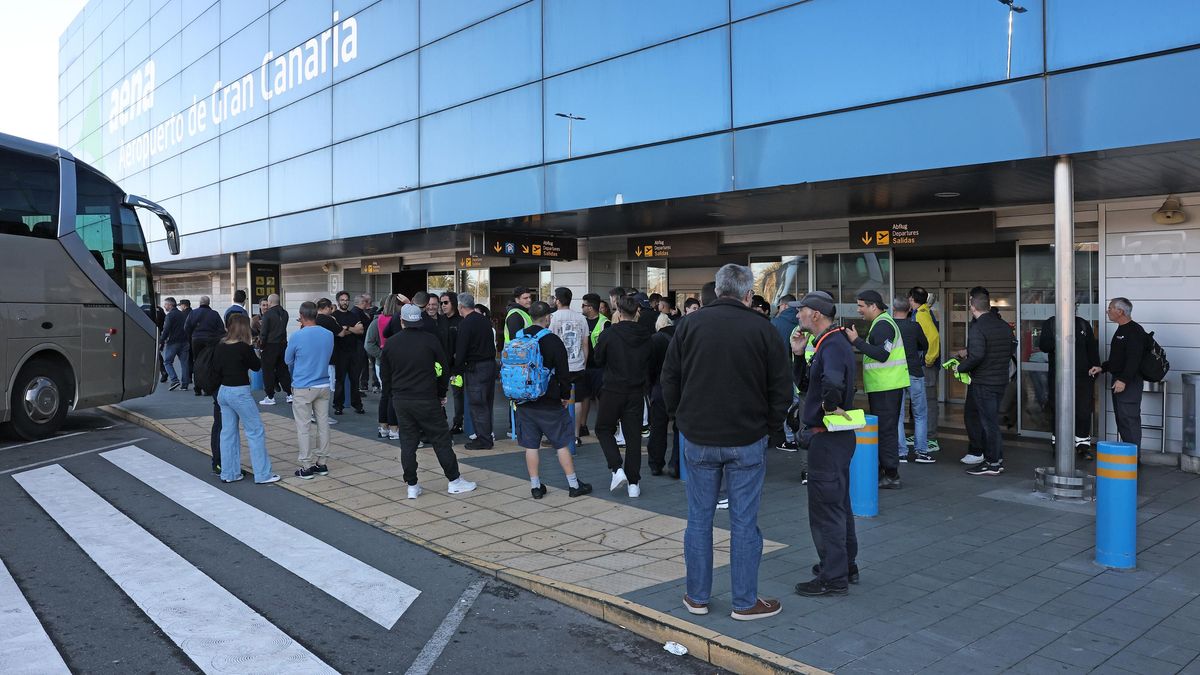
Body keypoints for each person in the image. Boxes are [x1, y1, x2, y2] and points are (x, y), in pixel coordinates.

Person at [662, 264, 790, 620]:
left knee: (699, 520)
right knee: (744, 523)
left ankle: (697, 597)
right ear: (748, 294)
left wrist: (680, 417)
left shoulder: (688, 325)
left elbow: (669, 377)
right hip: (747, 438)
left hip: (698, 437)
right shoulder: (762, 328)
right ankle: (745, 602)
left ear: (718, 290)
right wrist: (771, 426)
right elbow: (781, 385)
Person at [792, 291, 860, 597]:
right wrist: (797, 353)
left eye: (801, 311)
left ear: (815, 315)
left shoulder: (831, 344)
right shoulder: (829, 342)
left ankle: (833, 577)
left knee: (825, 510)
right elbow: (809, 384)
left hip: (827, 437)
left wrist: (829, 407)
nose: (797, 316)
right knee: (839, 504)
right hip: (837, 438)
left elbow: (832, 383)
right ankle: (845, 566)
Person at [380, 303, 477, 499]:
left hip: (401, 399)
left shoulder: (391, 343)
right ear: (420, 320)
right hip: (426, 397)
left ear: (402, 321)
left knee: (408, 442)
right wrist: (441, 392)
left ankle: (412, 485)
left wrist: (393, 395)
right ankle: (454, 481)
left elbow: (385, 376)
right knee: (440, 440)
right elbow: (443, 368)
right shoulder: (430, 340)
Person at [512, 301, 594, 500]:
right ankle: (574, 485)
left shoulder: (519, 337)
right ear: (548, 317)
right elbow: (564, 374)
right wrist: (565, 396)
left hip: (523, 399)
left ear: (530, 316)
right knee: (561, 444)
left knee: (531, 446)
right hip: (549, 400)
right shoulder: (553, 341)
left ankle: (536, 487)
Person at [846, 290, 908, 489]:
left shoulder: (883, 325)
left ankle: (891, 474)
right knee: (884, 429)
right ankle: (885, 470)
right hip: (885, 386)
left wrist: (856, 341)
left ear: (873, 306)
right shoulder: (882, 323)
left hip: (887, 387)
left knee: (886, 431)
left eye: (861, 306)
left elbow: (882, 354)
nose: (859, 310)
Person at [593, 293, 652, 497]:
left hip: (612, 389)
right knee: (633, 436)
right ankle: (633, 484)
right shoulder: (647, 335)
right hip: (636, 391)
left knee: (603, 428)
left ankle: (617, 468)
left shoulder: (609, 334)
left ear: (618, 311)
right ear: (637, 312)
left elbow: (598, 359)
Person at [213, 313, 279, 485]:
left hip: (223, 392)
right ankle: (263, 474)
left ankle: (229, 473)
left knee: (228, 433)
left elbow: (216, 369)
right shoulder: (244, 347)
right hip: (239, 392)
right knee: (255, 431)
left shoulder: (220, 345)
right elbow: (256, 367)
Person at [957, 292, 1015, 475]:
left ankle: (992, 463)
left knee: (988, 423)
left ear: (972, 306)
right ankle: (996, 459)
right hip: (1000, 380)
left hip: (984, 381)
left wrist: (961, 368)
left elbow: (978, 355)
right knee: (991, 421)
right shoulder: (1003, 326)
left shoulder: (978, 328)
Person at [1041, 308, 1101, 459]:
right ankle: (1058, 445)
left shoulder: (1082, 324)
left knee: (1083, 412)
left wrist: (1096, 366)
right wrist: (1060, 339)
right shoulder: (1051, 324)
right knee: (1059, 410)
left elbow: (1092, 348)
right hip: (1059, 377)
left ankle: (1082, 446)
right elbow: (1043, 346)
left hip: (1083, 377)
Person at [1089, 297, 1147, 449]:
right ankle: (1126, 457)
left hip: (1129, 382)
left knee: (1129, 419)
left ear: (1120, 311)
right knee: (1122, 419)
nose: (1107, 311)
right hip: (1120, 380)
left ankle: (1133, 459)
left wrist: (1124, 380)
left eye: (1110, 308)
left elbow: (1134, 360)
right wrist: (1103, 367)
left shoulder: (1134, 331)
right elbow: (1118, 359)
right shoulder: (1121, 329)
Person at [286, 302, 335, 480]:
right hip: (323, 383)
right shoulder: (328, 334)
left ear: (301, 315)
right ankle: (322, 462)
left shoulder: (297, 336)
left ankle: (306, 465)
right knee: (323, 424)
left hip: (303, 385)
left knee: (303, 426)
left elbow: (287, 359)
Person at [891, 298, 933, 464]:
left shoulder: (890, 326)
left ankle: (901, 452)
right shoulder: (914, 326)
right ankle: (921, 451)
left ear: (893, 309)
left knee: (898, 415)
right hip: (914, 372)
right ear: (910, 310)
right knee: (920, 414)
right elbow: (925, 345)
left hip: (895, 374)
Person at [454, 293, 498, 450]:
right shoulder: (484, 321)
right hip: (490, 365)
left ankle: (483, 439)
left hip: (475, 368)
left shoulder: (466, 323)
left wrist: (456, 370)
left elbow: (461, 349)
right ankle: (487, 435)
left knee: (477, 404)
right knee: (487, 402)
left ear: (461, 307)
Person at [549, 287, 589, 442]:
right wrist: (583, 362)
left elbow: (550, 342)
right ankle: (575, 435)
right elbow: (585, 344)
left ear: (557, 300)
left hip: (559, 367)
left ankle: (560, 435)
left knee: (558, 400)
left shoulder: (552, 317)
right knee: (577, 400)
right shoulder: (581, 318)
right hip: (578, 365)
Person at [908, 287, 941, 453]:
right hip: (923, 364)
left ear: (911, 299)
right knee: (922, 401)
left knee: (928, 400)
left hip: (926, 365)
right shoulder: (923, 311)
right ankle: (921, 435)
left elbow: (934, 337)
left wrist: (929, 359)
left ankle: (930, 438)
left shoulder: (921, 314)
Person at [647, 309, 679, 478]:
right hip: (680, 388)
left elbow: (650, 367)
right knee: (679, 428)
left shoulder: (655, 339)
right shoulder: (681, 337)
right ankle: (676, 463)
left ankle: (655, 464)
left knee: (658, 428)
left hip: (660, 388)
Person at [366, 294, 401, 439]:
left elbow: (369, 344)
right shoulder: (397, 322)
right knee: (393, 396)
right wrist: (383, 355)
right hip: (393, 364)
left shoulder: (377, 321)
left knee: (386, 395)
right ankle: (394, 429)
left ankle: (384, 427)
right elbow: (368, 344)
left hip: (382, 364)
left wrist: (381, 355)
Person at [577, 293, 609, 442]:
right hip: (583, 366)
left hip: (599, 367)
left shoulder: (605, 323)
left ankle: (602, 425)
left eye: (583, 305)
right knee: (584, 396)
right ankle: (582, 426)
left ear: (590, 307)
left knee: (601, 397)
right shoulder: (581, 321)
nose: (581, 307)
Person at [331, 290, 366, 415]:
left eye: (346, 300)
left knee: (354, 379)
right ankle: (338, 406)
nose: (345, 302)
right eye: (342, 300)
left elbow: (360, 330)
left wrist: (346, 328)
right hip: (340, 353)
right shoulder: (334, 316)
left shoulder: (353, 315)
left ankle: (357, 404)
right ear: (338, 301)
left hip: (354, 351)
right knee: (339, 380)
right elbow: (338, 333)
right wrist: (352, 329)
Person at [185, 295, 226, 397]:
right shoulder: (214, 314)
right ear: (209, 303)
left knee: (197, 362)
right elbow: (221, 329)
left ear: (200, 303)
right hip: (211, 341)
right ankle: (207, 388)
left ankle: (197, 388)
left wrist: (192, 336)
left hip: (196, 340)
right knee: (209, 363)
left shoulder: (193, 313)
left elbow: (186, 327)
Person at [257, 294, 293, 406]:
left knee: (268, 371)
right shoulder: (285, 313)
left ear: (270, 302)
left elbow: (263, 333)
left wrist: (261, 347)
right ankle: (289, 394)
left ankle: (270, 396)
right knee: (283, 369)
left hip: (269, 346)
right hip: (283, 344)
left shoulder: (267, 314)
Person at [441, 292, 465, 434]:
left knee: (457, 394)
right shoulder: (441, 320)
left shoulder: (461, 321)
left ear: (454, 304)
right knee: (439, 394)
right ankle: (440, 423)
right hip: (442, 366)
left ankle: (458, 423)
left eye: (445, 302)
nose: (443, 306)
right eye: (441, 303)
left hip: (456, 367)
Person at [160, 297, 191, 391]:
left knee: (167, 362)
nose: (164, 306)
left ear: (170, 305)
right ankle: (185, 384)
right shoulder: (182, 314)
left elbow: (166, 330)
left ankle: (174, 380)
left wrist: (161, 340)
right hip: (184, 342)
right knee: (184, 363)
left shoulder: (169, 316)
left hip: (173, 342)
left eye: (165, 304)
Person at [356, 294, 378, 393]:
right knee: (364, 364)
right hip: (363, 341)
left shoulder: (375, 310)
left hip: (370, 341)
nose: (364, 302)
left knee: (373, 363)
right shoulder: (360, 312)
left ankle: (375, 384)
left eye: (365, 300)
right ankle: (364, 384)